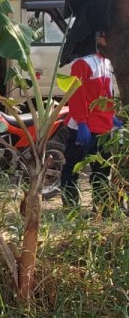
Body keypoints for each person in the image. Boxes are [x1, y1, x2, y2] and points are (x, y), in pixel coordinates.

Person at [61, 32, 121, 210]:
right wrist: (81, 122)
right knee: (71, 168)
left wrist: (113, 117)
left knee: (102, 170)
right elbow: (77, 96)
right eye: (105, 37)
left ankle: (101, 209)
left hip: (102, 126)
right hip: (83, 127)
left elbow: (106, 95)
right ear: (96, 39)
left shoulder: (106, 62)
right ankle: (71, 207)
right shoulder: (82, 63)